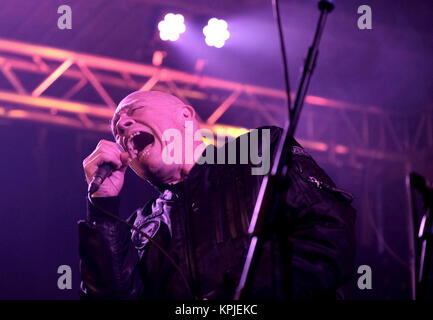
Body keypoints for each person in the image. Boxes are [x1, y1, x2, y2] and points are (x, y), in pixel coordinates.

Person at [79, 90, 356, 300]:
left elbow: (328, 237)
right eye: (116, 129)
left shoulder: (257, 153)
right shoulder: (140, 227)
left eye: (134, 111)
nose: (122, 126)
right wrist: (103, 207)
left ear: (186, 116)